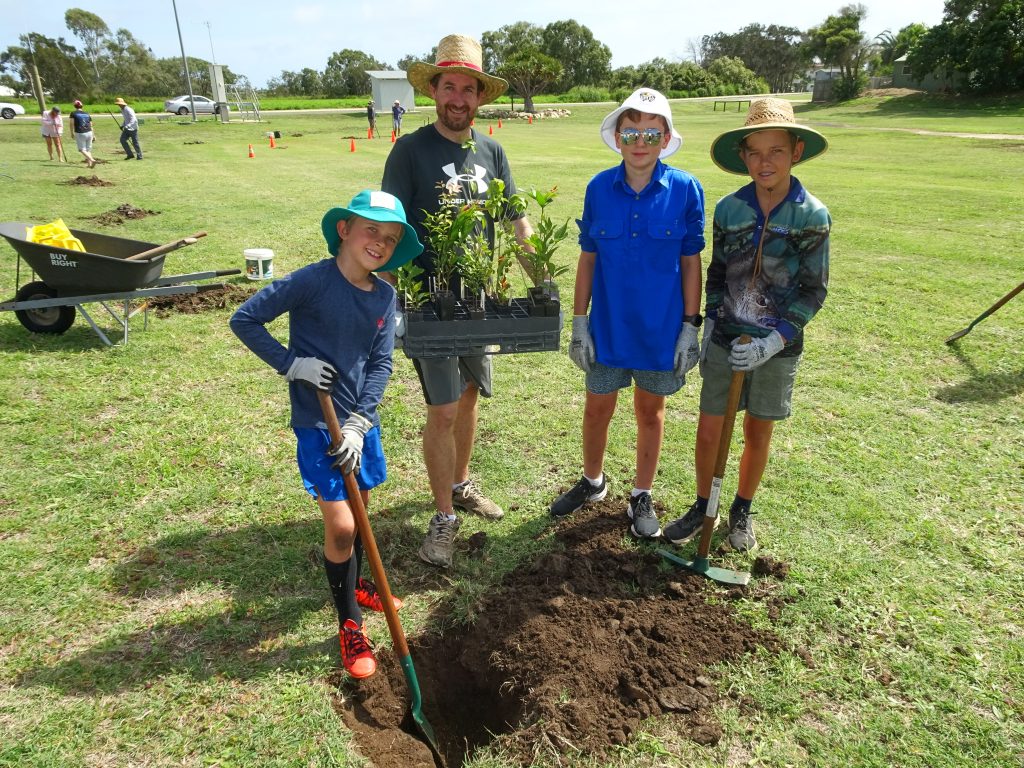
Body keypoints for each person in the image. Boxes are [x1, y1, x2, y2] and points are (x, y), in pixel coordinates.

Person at [229, 189, 424, 678]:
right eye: (371, 230)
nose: (379, 242)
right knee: (340, 525)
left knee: (360, 510)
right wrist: (292, 363)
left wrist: (361, 422)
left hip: (356, 426)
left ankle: (359, 582)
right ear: (345, 229)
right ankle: (350, 623)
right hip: (319, 424)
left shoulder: (383, 295)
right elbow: (245, 318)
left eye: (390, 237)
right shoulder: (311, 282)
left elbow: (380, 362)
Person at [381, 33, 535, 568]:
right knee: (442, 408)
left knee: (469, 396)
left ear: (479, 98)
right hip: (432, 303)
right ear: (435, 92)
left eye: (469, 90)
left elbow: (516, 217)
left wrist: (540, 275)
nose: (459, 98)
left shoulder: (492, 151)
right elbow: (390, 226)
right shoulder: (410, 150)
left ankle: (462, 484)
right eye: (450, 87)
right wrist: (397, 298)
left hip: (481, 302)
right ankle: (444, 517)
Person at [662, 97, 831, 552]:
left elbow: (814, 290)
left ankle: (741, 508)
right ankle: (702, 505)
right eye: (755, 151)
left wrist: (774, 340)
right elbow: (717, 273)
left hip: (777, 347)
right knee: (710, 428)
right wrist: (712, 320)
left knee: (758, 431)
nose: (765, 161)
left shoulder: (812, 215)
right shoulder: (729, 210)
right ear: (743, 156)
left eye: (776, 150)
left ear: (796, 151)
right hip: (727, 340)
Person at [549, 88, 706, 540]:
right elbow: (588, 258)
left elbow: (691, 261)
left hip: (661, 330)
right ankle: (593, 481)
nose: (641, 141)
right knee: (597, 407)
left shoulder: (686, 189)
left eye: (651, 133)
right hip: (608, 328)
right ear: (618, 137)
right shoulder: (599, 187)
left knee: (649, 412)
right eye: (631, 131)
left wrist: (689, 328)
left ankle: (641, 492)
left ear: (666, 137)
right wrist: (579, 322)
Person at [70, 100, 96, 169]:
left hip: (80, 133)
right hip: (89, 132)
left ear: (75, 106)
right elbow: (91, 125)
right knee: (88, 150)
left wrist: (72, 133)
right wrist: (93, 135)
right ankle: (89, 165)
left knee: (82, 149)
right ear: (82, 106)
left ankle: (92, 160)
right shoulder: (87, 114)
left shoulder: (73, 113)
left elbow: (71, 124)